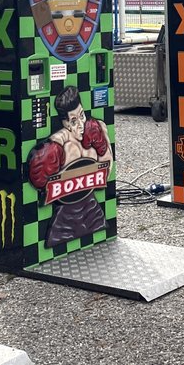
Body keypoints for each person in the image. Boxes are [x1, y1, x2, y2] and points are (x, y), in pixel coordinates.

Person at [27, 86, 110, 247]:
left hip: (95, 216)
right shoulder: (56, 146)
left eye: (82, 115)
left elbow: (107, 172)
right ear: (65, 123)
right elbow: (38, 183)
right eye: (73, 121)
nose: (80, 124)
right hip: (63, 226)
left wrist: (102, 139)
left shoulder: (93, 129)